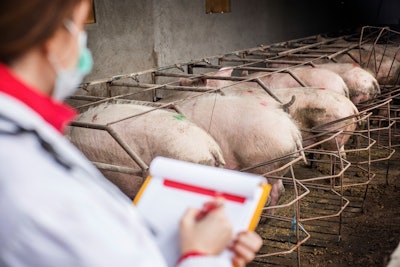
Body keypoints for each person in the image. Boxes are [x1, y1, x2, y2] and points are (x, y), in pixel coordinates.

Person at [0, 1, 263, 266]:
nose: (82, 44)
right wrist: (201, 254)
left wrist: (190, 246)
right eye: (80, 27)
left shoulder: (26, 137)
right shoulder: (33, 183)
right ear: (52, 37)